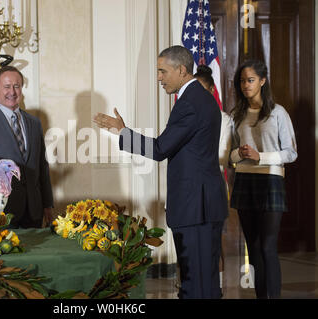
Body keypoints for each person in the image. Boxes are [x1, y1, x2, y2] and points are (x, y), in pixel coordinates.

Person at [93, 45, 228, 299]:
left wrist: (123, 132)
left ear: (181, 70)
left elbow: (160, 149)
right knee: (205, 283)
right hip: (203, 204)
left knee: (195, 286)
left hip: (196, 207)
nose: (159, 77)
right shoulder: (201, 97)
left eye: (162, 71)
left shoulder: (190, 102)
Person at [229, 60, 297, 299]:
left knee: (268, 247)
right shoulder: (237, 114)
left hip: (271, 181)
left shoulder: (278, 113)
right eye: (242, 81)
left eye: (250, 80)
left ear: (262, 81)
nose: (245, 85)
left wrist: (261, 156)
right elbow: (230, 154)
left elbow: (291, 152)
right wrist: (241, 154)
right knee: (254, 248)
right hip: (245, 181)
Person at [0, 66, 54, 229]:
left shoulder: (34, 123)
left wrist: (47, 204)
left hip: (34, 210)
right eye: (7, 86)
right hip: (1, 211)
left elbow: (42, 166)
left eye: (17, 86)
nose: (12, 92)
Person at [194, 64, 234, 294]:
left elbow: (222, 156)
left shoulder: (224, 119)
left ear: (211, 91)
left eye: (202, 91)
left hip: (212, 187)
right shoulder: (186, 117)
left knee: (212, 243)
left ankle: (215, 288)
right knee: (191, 243)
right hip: (190, 189)